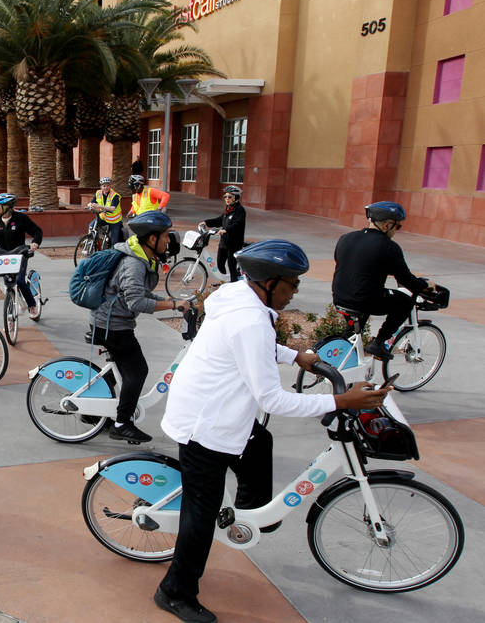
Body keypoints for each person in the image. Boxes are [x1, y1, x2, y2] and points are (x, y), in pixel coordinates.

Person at [155, 240, 391, 623]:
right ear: (268, 282)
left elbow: (259, 345)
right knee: (202, 514)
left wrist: (295, 354)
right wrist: (340, 402)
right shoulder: (248, 319)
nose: (296, 290)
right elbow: (274, 400)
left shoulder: (240, 297)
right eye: (292, 283)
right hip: (204, 426)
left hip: (217, 410)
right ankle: (174, 592)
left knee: (259, 440)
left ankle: (251, 512)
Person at [92, 211, 186, 444]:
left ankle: (94, 412)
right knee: (138, 371)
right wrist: (172, 304)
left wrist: (172, 303)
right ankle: (122, 423)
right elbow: (137, 302)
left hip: (113, 321)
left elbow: (140, 293)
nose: (168, 240)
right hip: (112, 325)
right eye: (164, 236)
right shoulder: (134, 263)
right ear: (151, 239)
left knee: (126, 372)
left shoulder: (140, 257)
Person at [332, 201, 435, 359]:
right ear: (387, 225)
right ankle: (379, 342)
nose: (397, 230)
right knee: (405, 302)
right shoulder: (388, 247)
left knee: (353, 332)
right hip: (364, 300)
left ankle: (342, 360)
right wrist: (425, 285)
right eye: (397, 226)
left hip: (339, 297)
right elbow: (406, 279)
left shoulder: (346, 238)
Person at [0, 193, 44, 319]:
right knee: (9, 283)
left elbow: (37, 231)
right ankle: (13, 307)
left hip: (19, 255)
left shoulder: (20, 218)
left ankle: (32, 305)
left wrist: (35, 243)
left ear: (7, 207)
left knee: (20, 281)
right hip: (4, 256)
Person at [197, 185, 246, 283]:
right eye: (225, 196)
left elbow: (237, 224)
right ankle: (225, 282)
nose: (226, 199)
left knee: (232, 267)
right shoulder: (228, 209)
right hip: (224, 242)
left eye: (229, 197)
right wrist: (206, 222)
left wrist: (226, 230)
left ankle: (233, 284)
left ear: (236, 198)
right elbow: (220, 220)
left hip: (234, 244)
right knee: (220, 264)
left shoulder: (240, 210)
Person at [87, 177, 124, 246]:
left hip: (114, 220)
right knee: (91, 226)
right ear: (101, 186)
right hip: (104, 217)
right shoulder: (98, 193)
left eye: (108, 185)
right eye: (104, 186)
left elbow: (112, 208)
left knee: (114, 242)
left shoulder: (115, 195)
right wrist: (90, 205)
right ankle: (93, 243)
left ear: (110, 186)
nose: (106, 187)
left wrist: (99, 206)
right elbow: (92, 202)